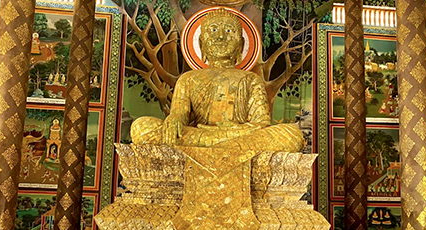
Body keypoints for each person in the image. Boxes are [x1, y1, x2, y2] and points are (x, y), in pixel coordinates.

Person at [130, 8, 303, 152]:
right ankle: (226, 145)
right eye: (213, 30)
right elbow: (179, 115)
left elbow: (261, 125)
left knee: (292, 136)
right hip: (209, 136)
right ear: (201, 41)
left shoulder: (251, 79)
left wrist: (233, 132)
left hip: (224, 137)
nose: (220, 37)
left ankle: (215, 144)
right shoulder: (188, 79)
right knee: (141, 128)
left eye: (229, 31)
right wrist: (174, 119)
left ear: (241, 45)